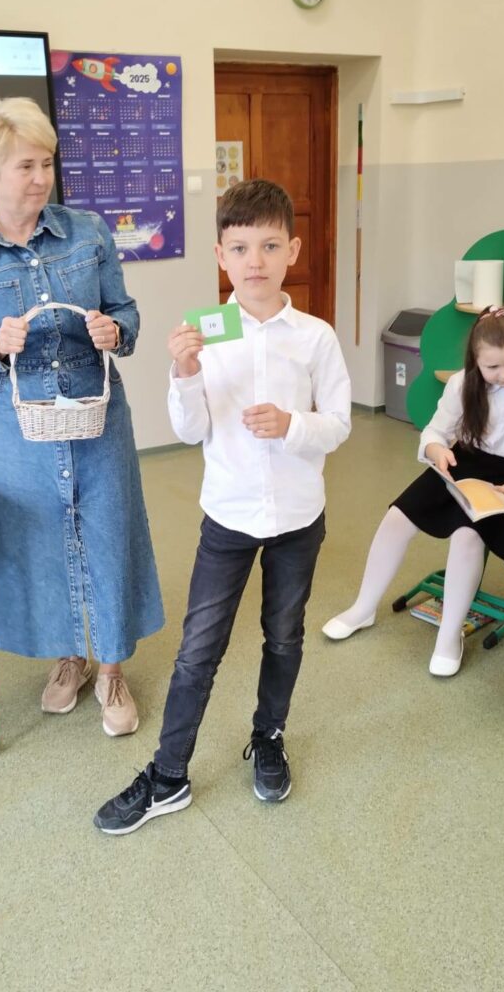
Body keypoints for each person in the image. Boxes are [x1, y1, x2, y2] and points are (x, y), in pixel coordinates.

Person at [94, 179, 352, 834]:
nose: (255, 261)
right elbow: (189, 430)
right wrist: (183, 373)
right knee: (197, 651)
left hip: (297, 517)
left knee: (284, 635)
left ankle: (268, 736)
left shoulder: (315, 337)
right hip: (229, 516)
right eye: (240, 248)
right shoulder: (208, 335)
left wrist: (292, 424)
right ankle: (168, 775)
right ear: (220, 255)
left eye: (269, 245)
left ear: (293, 250)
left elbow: (339, 423)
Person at [0, 97, 163, 736]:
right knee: (39, 542)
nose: (41, 179)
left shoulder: (88, 232)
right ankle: (69, 659)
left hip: (97, 416)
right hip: (16, 429)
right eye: (25, 166)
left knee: (110, 533)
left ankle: (111, 668)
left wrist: (114, 330)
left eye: (46, 164)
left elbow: (127, 313)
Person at [323, 305, 504, 676]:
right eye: (492, 367)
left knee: (468, 537)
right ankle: (363, 607)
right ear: (475, 361)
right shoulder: (462, 384)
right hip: (463, 465)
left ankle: (449, 636)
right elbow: (436, 430)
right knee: (397, 517)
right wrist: (436, 450)